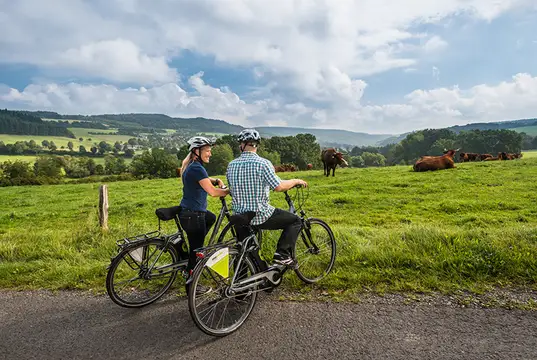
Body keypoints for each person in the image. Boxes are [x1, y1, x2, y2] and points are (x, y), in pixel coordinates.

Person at [226, 129, 308, 268]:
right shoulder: (263, 163)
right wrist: (295, 181)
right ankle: (282, 255)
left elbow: (234, 188)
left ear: (242, 145)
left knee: (245, 252)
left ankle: (241, 285)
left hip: (240, 216)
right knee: (296, 221)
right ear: (256, 145)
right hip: (260, 215)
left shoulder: (231, 165)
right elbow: (279, 186)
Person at [178, 136, 229, 276]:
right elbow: (212, 193)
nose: (210, 154)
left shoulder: (191, 166)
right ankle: (191, 282)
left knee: (211, 217)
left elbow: (205, 180)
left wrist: (217, 180)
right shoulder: (197, 168)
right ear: (196, 151)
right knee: (196, 253)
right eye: (207, 150)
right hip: (194, 216)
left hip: (188, 213)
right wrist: (229, 191)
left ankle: (192, 246)